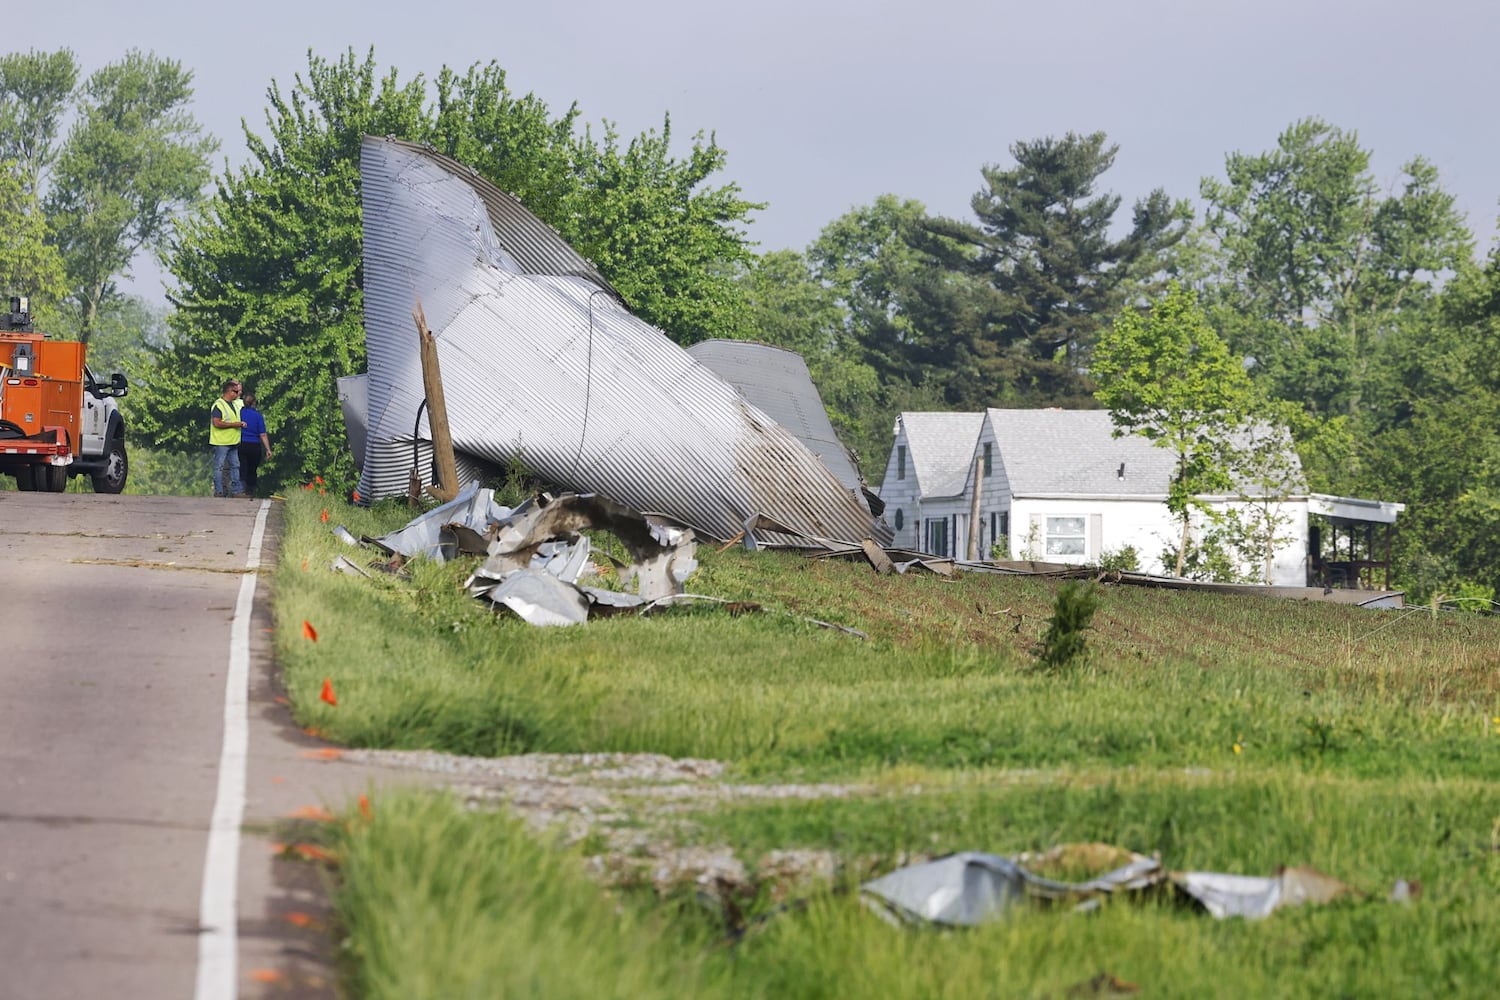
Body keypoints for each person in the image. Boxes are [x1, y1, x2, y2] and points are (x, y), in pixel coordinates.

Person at [210, 379, 247, 497]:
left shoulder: (234, 405)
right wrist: (234, 424)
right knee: (219, 467)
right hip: (221, 442)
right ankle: (219, 490)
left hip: (233, 442)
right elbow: (216, 423)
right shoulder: (218, 405)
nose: (238, 394)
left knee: (236, 466)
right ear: (230, 392)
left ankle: (237, 491)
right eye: (236, 392)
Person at [237, 391, 272, 496]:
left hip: (241, 443)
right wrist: (268, 449)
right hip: (254, 445)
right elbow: (263, 434)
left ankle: (241, 488)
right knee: (252, 468)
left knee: (242, 467)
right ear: (254, 403)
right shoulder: (258, 416)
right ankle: (250, 490)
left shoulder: (239, 413)